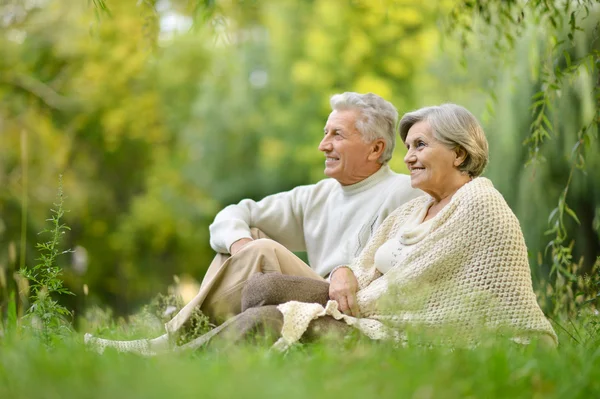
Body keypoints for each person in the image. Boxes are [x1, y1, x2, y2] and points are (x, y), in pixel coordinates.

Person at [86, 103, 557, 355]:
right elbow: (372, 259)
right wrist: (346, 272)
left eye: (419, 145)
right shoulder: (414, 210)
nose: (408, 155)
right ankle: (206, 349)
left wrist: (344, 302)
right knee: (262, 277)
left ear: (458, 153)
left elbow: (415, 283)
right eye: (407, 146)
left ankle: (172, 356)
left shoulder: (471, 200)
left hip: (396, 322)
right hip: (359, 300)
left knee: (269, 313)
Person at [85, 92, 422, 354]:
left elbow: (405, 266)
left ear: (376, 147)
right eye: (325, 133)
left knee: (258, 249)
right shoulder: (318, 195)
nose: (323, 145)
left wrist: (341, 271)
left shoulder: (403, 191)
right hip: (312, 290)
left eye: (337, 135)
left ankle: (168, 340)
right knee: (247, 239)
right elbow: (230, 215)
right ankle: (182, 342)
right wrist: (238, 244)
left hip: (353, 302)